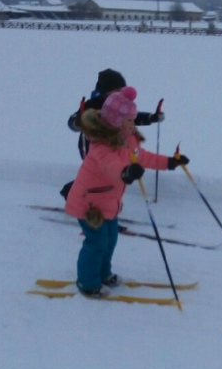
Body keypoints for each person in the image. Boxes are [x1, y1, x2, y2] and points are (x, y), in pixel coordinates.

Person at [63, 86, 189, 297]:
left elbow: (144, 157)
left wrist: (169, 162)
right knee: (96, 243)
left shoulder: (128, 140)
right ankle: (87, 283)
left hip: (108, 203)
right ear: (116, 122)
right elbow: (110, 166)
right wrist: (126, 172)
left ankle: (103, 274)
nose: (134, 123)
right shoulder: (100, 146)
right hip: (89, 204)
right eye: (130, 120)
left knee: (110, 239)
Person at [67, 68, 164, 159]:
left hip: (114, 147)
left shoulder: (121, 105)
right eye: (117, 90)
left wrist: (150, 117)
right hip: (92, 148)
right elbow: (72, 121)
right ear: (106, 91)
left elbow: (133, 117)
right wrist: (78, 121)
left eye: (122, 90)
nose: (121, 93)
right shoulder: (92, 104)